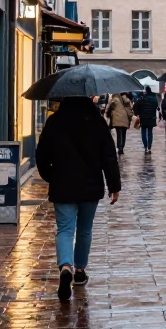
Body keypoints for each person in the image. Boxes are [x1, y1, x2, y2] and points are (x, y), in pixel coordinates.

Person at [35, 96, 121, 301]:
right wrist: (114, 185)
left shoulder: (55, 121)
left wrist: (51, 176)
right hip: (90, 185)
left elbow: (41, 155)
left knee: (65, 229)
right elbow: (109, 155)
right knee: (85, 229)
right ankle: (80, 270)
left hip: (63, 184)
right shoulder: (96, 121)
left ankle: (66, 266)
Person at [133, 88, 160, 153]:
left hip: (143, 118)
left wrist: (138, 114)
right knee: (150, 132)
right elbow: (156, 106)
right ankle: (149, 147)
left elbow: (135, 106)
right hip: (151, 118)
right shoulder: (154, 99)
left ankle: (145, 147)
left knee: (143, 132)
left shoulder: (142, 99)